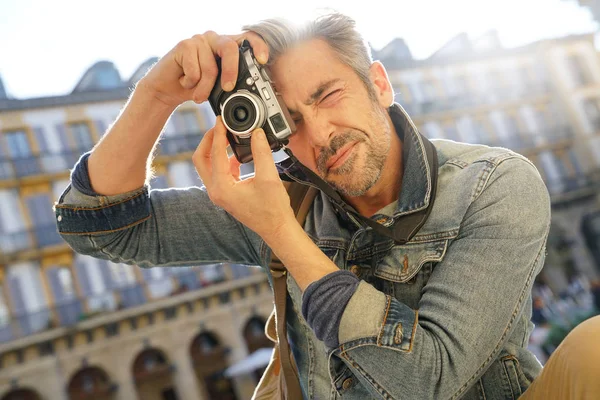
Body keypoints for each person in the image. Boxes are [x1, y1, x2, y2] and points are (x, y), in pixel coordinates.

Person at [54, 11, 600, 399]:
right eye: (287, 122)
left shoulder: (494, 185)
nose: (320, 134)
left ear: (379, 84)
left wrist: (286, 238)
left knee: (590, 349)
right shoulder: (285, 202)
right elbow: (100, 226)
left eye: (329, 95)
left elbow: (430, 381)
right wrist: (159, 92)